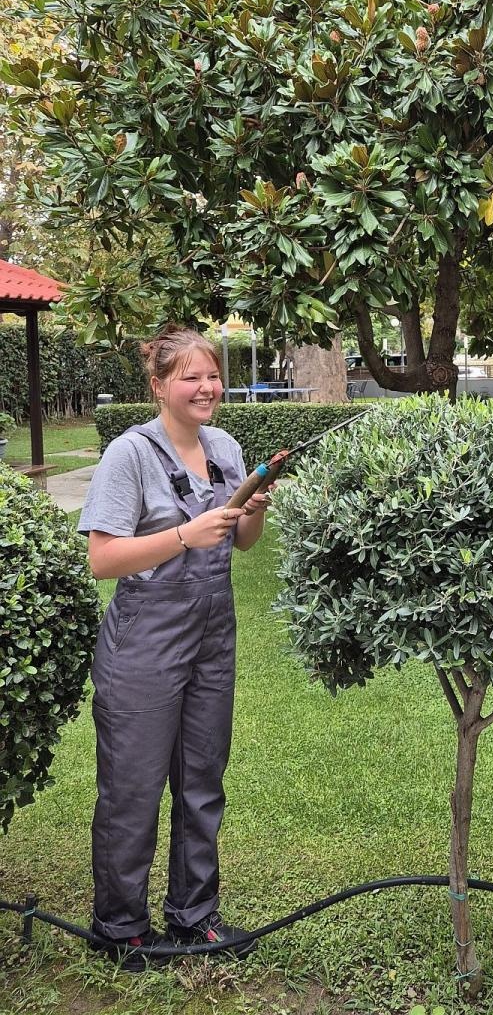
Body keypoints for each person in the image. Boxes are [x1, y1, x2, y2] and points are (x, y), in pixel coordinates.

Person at [78, 325, 271, 970]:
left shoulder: (226, 448)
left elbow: (243, 544)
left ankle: (194, 915)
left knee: (202, 782)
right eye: (191, 377)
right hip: (145, 643)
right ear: (159, 385)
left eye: (213, 375)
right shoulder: (129, 454)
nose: (207, 387)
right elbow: (103, 560)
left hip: (213, 638)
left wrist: (254, 510)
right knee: (133, 789)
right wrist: (186, 535)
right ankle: (120, 925)